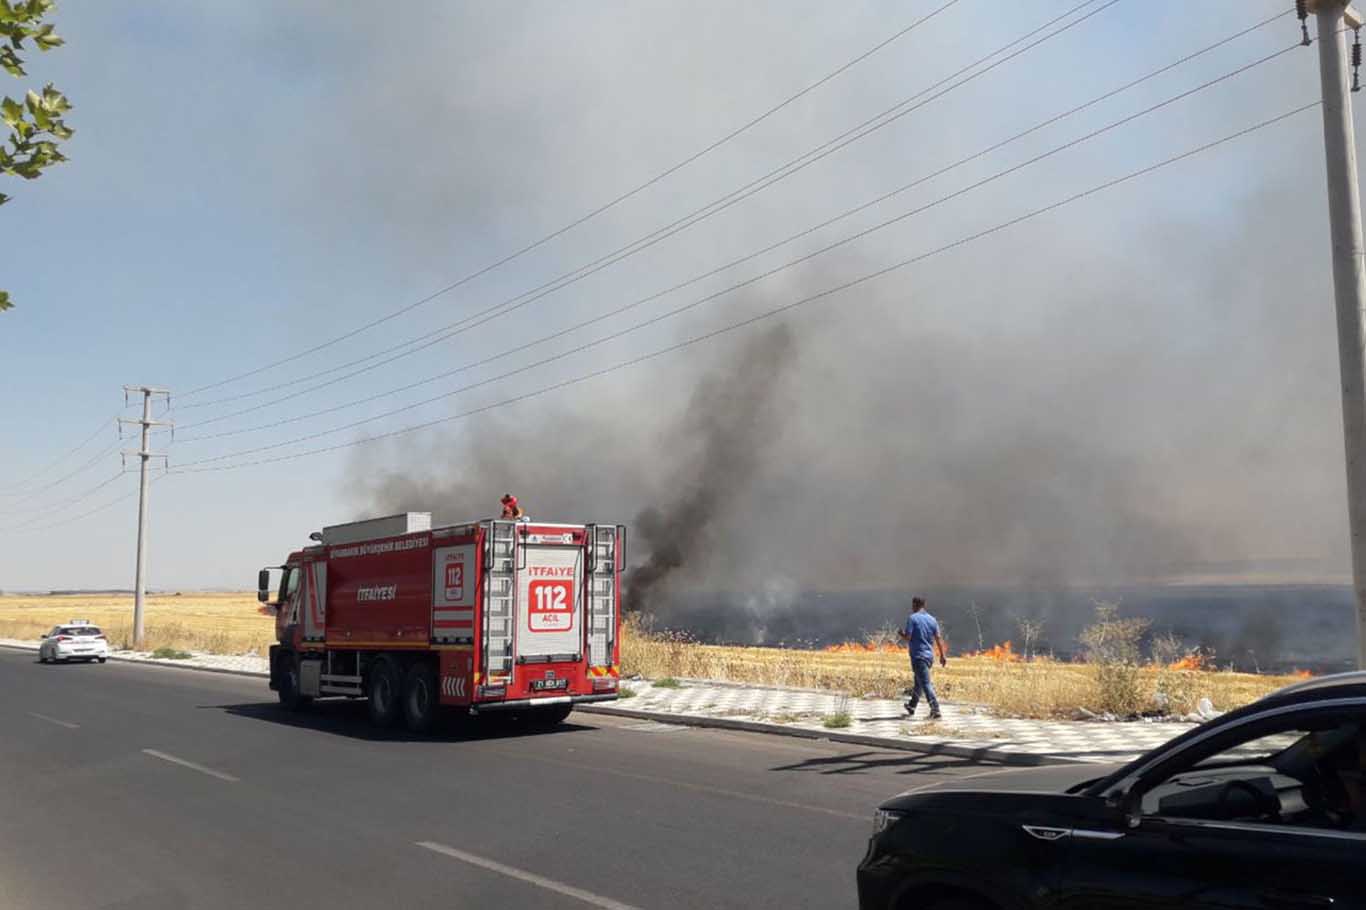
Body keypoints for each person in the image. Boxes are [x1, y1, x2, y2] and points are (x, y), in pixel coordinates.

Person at [896, 596, 947, 719]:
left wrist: (901, 633)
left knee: (925, 683)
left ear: (915, 605)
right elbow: (938, 638)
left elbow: (908, 637)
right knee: (918, 683)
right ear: (924, 605)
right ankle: (912, 706)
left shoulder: (912, 618)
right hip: (929, 656)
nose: (911, 607)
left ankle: (935, 709)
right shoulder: (932, 619)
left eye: (912, 605)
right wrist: (942, 655)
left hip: (918, 656)